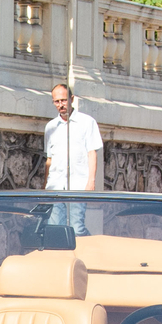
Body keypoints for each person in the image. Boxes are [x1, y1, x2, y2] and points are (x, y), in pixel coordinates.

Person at [42, 82, 101, 231]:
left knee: (77, 227)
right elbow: (49, 159)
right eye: (56, 101)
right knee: (56, 228)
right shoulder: (50, 127)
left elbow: (91, 153)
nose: (60, 104)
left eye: (63, 100)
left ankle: (88, 252)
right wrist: (45, 186)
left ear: (71, 99)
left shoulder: (87, 122)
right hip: (55, 186)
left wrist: (91, 182)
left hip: (78, 185)